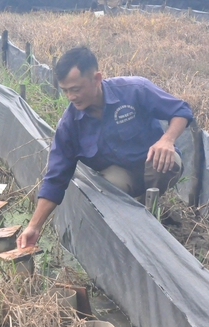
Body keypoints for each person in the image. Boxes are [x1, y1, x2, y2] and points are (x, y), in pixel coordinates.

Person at [17, 46, 193, 249]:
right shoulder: (69, 125)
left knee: (167, 164)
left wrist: (167, 140)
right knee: (107, 190)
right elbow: (56, 177)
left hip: (151, 161)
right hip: (119, 173)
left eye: (76, 89)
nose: (71, 97)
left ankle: (149, 210)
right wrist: (34, 226)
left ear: (97, 78)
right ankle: (129, 219)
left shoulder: (134, 90)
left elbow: (181, 110)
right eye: (65, 90)